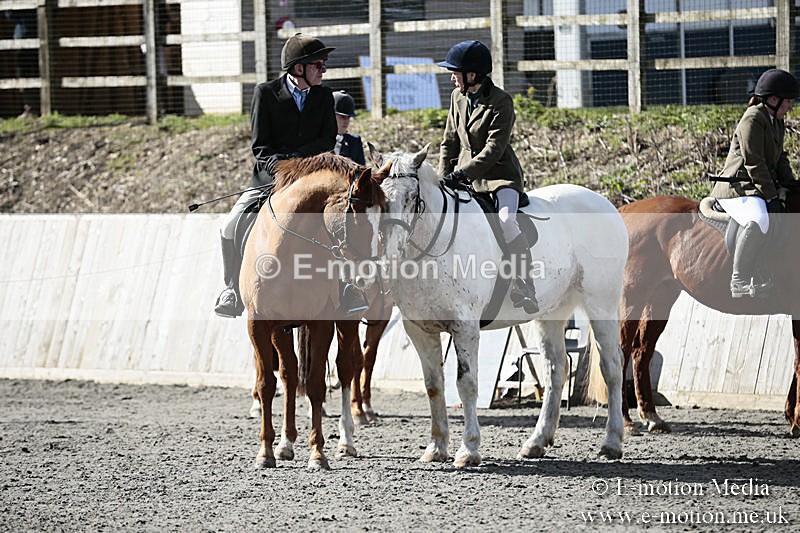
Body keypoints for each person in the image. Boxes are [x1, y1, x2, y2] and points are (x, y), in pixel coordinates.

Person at [214, 33, 337, 317]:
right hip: (271, 177)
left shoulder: (324, 96)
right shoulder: (265, 93)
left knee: (345, 222)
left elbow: (326, 140)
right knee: (229, 226)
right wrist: (283, 168)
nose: (324, 69)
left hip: (312, 177)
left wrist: (299, 166)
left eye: (323, 64)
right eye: (318, 64)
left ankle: (346, 285)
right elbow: (260, 146)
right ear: (298, 68)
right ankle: (232, 288)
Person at [437, 40, 538, 314]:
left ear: (473, 74)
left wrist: (461, 173)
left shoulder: (501, 102)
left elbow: (494, 150)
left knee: (505, 221)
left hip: (499, 177)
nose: (451, 77)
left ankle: (524, 283)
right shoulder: (457, 97)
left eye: (455, 72)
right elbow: (449, 142)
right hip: (464, 178)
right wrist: (441, 178)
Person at [711, 68, 800, 298]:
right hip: (737, 187)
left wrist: (791, 184)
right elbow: (754, 163)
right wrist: (771, 196)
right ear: (772, 99)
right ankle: (738, 279)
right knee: (759, 217)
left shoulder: (776, 121)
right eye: (787, 101)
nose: (790, 106)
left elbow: (779, 157)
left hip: (755, 185)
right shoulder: (752, 118)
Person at [332, 90, 365, 165]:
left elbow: (362, 172)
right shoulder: (316, 141)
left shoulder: (354, 142)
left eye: (348, 117)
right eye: (342, 117)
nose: (346, 121)